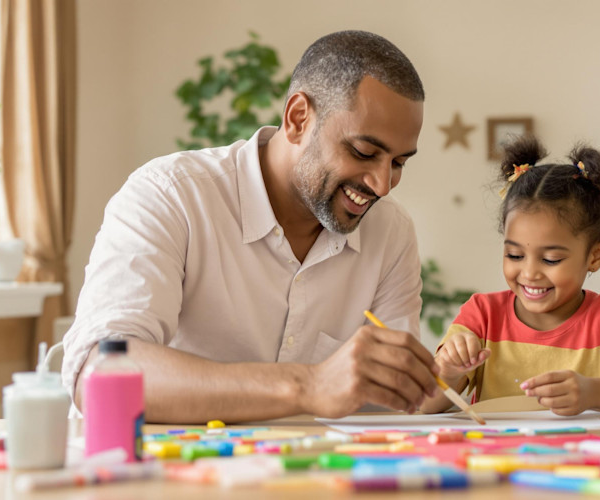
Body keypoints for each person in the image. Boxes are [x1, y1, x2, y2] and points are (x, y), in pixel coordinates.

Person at [62, 30, 441, 424]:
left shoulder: (391, 232)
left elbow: (393, 399)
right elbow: (99, 373)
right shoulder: (171, 195)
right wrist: (307, 385)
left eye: (398, 163)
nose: (381, 184)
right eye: (364, 152)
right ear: (298, 119)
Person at [420, 136, 600, 416]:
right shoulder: (482, 316)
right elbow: (423, 404)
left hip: (585, 457)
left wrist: (592, 392)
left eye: (551, 259)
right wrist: (448, 371)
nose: (530, 273)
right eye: (515, 255)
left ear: (596, 255)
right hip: (496, 457)